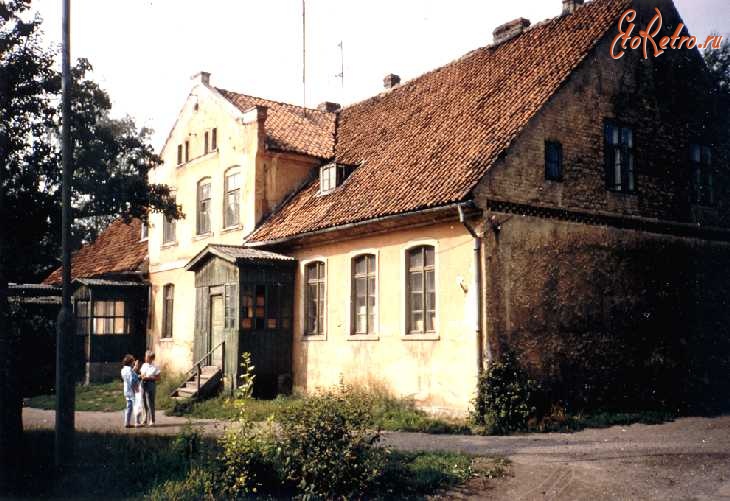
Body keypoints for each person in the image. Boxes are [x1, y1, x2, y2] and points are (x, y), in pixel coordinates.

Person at [140, 350, 161, 426]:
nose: (145, 358)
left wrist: (150, 378)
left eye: (146, 357)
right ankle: (144, 420)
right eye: (145, 356)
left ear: (151, 358)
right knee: (143, 402)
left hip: (151, 384)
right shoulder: (144, 365)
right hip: (143, 384)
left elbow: (158, 378)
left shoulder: (156, 366)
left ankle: (152, 420)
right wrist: (143, 376)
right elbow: (142, 374)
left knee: (150, 402)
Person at [120, 354, 138, 429]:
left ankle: (126, 422)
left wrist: (134, 369)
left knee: (129, 407)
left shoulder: (123, 370)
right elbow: (132, 380)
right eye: (133, 361)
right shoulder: (130, 370)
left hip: (126, 390)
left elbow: (128, 376)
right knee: (136, 406)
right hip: (132, 390)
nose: (134, 363)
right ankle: (137, 422)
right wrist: (136, 387)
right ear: (131, 362)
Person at [132, 359, 144, 427]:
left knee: (139, 405)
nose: (138, 366)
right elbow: (133, 380)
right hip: (136, 390)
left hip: (138, 389)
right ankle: (137, 422)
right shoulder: (133, 371)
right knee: (137, 405)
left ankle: (138, 421)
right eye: (136, 364)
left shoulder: (138, 371)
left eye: (138, 364)